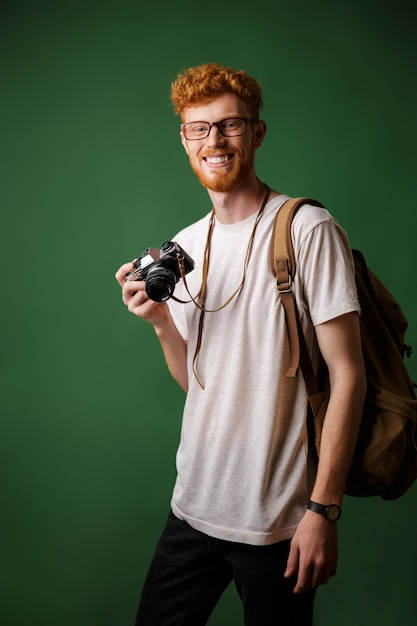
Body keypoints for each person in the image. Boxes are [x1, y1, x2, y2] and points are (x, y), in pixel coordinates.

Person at [115, 62, 367, 626]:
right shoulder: (184, 246)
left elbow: (349, 374)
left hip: (278, 520)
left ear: (257, 132)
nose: (215, 141)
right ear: (184, 140)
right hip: (193, 507)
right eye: (200, 129)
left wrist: (323, 511)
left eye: (230, 125)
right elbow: (199, 382)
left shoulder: (307, 230)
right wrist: (160, 322)